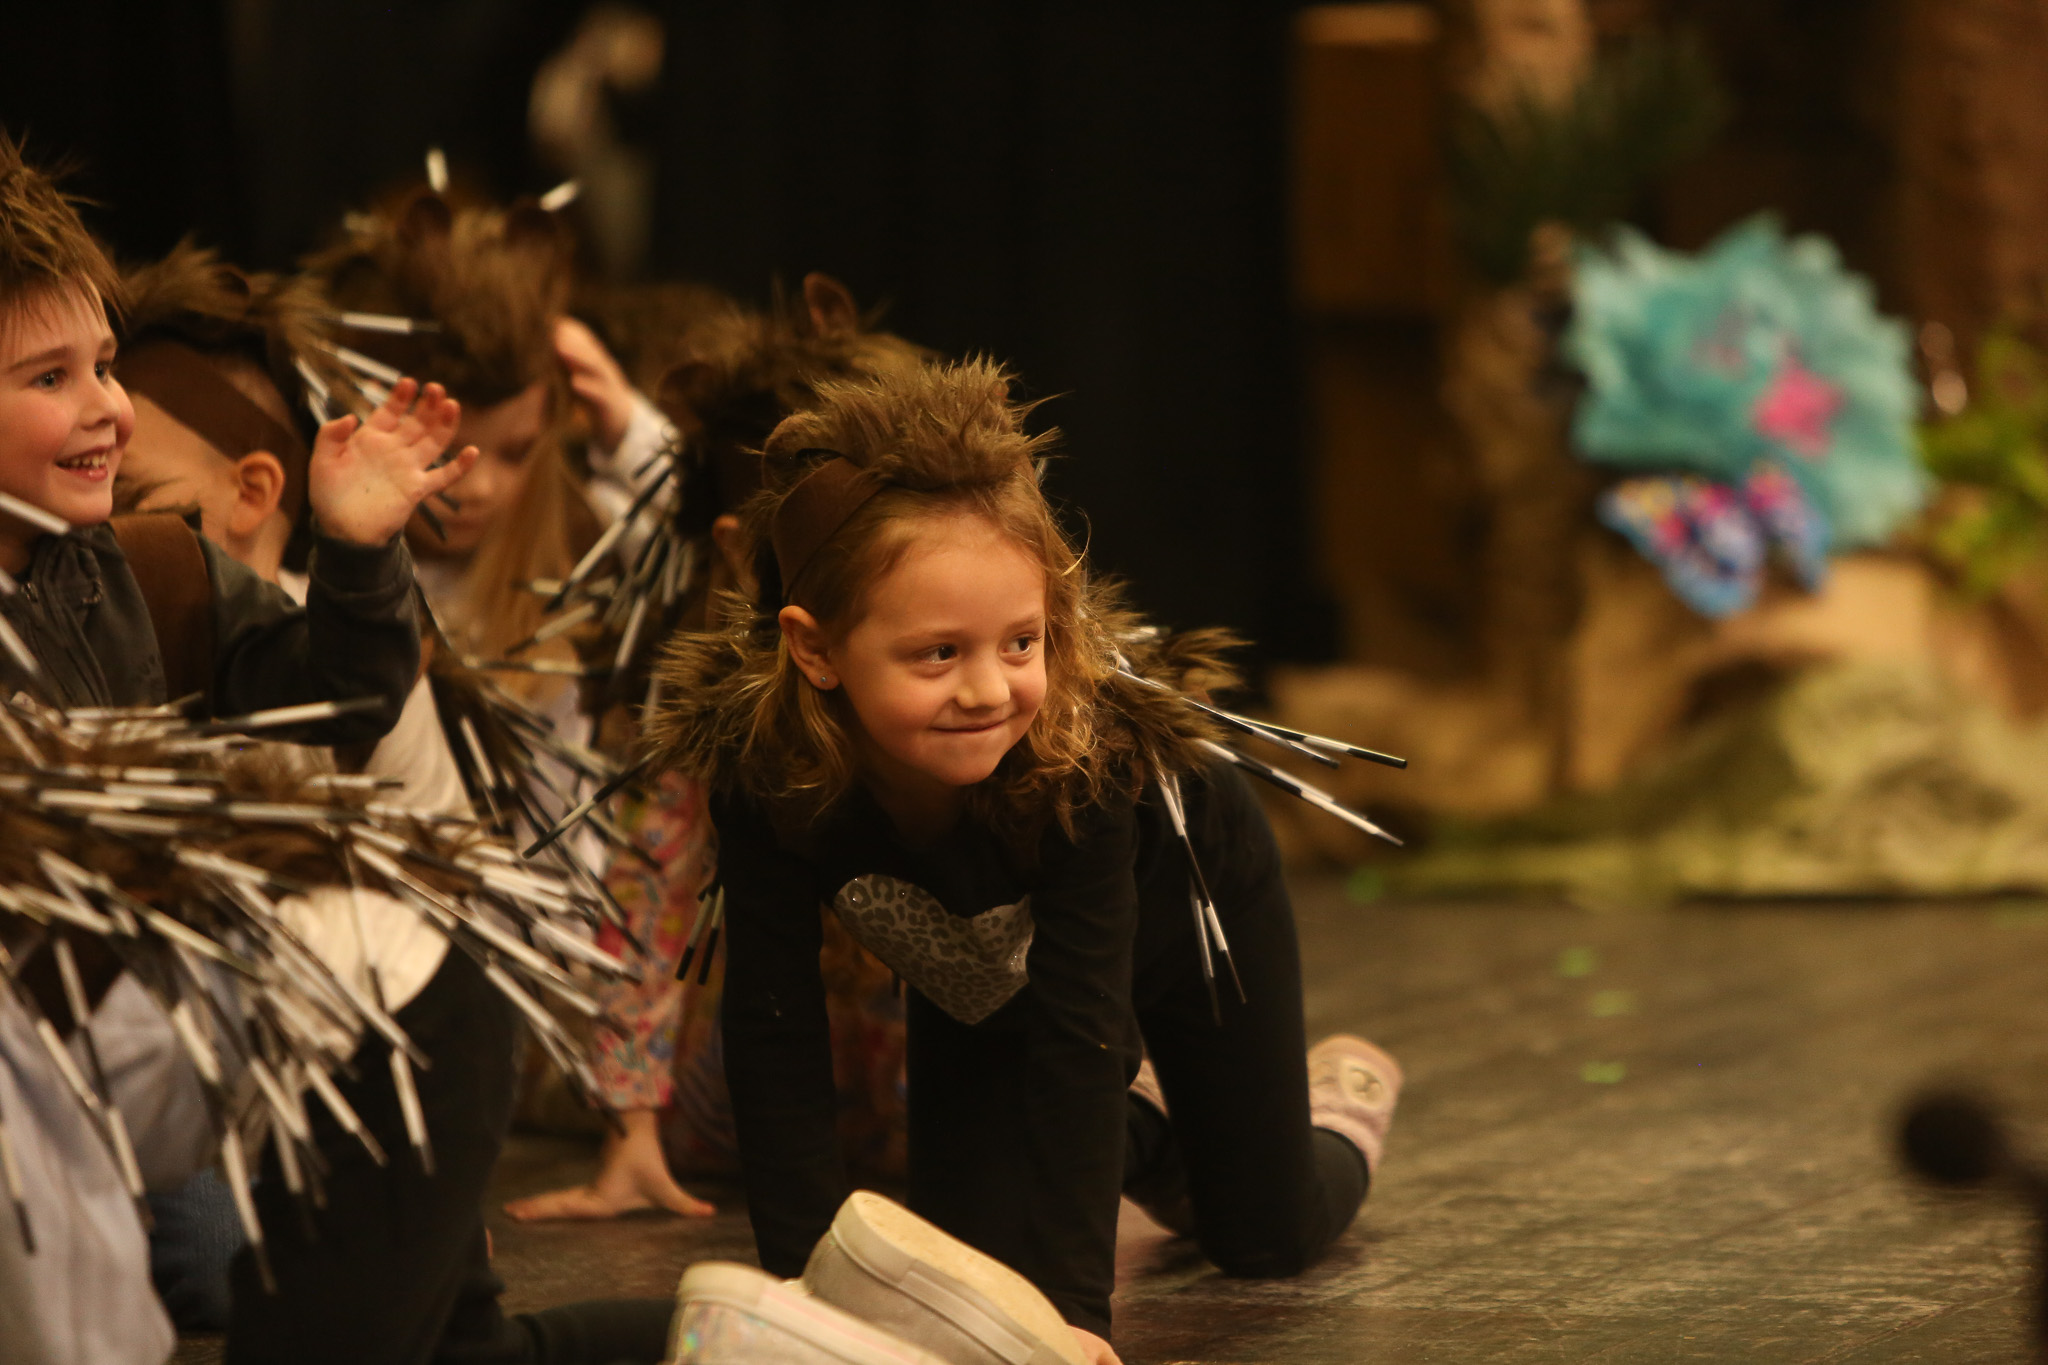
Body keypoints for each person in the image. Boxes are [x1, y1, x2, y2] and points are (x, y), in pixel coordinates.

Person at [645, 357, 1403, 1365]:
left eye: (1019, 643)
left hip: (1184, 919)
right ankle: (1160, 1126)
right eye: (935, 655)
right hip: (980, 979)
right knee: (973, 1253)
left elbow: (1078, 1037)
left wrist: (1071, 1325)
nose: (988, 691)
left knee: (1261, 1235)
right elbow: (772, 1029)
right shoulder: (768, 771)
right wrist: (799, 1299)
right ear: (815, 649)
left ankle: (1338, 1101)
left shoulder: (1084, 770)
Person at [0, 127, 468, 1365]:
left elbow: (328, 713)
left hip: (114, 1056)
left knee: (227, 1252)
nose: (107, 405)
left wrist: (359, 556)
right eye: (48, 378)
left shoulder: (136, 564)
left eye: (104, 362)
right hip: (26, 1078)